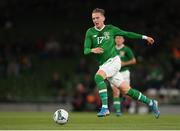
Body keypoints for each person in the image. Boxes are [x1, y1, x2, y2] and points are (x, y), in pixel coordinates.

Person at [83, 8, 160, 118]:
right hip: (104, 64)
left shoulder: (111, 29)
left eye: (97, 18)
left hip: (114, 61)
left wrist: (145, 37)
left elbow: (127, 34)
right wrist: (92, 50)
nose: (95, 20)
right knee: (127, 90)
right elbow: (85, 50)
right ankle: (151, 103)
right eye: (93, 18)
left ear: (103, 18)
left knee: (98, 77)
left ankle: (105, 108)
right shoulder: (90, 32)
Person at [111, 36, 136, 116]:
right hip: (114, 73)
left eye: (120, 38)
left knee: (126, 93)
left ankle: (128, 105)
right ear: (114, 40)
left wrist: (124, 63)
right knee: (116, 91)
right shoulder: (111, 48)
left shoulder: (126, 49)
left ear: (123, 40)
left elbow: (133, 61)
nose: (118, 40)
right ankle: (118, 111)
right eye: (117, 38)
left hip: (124, 72)